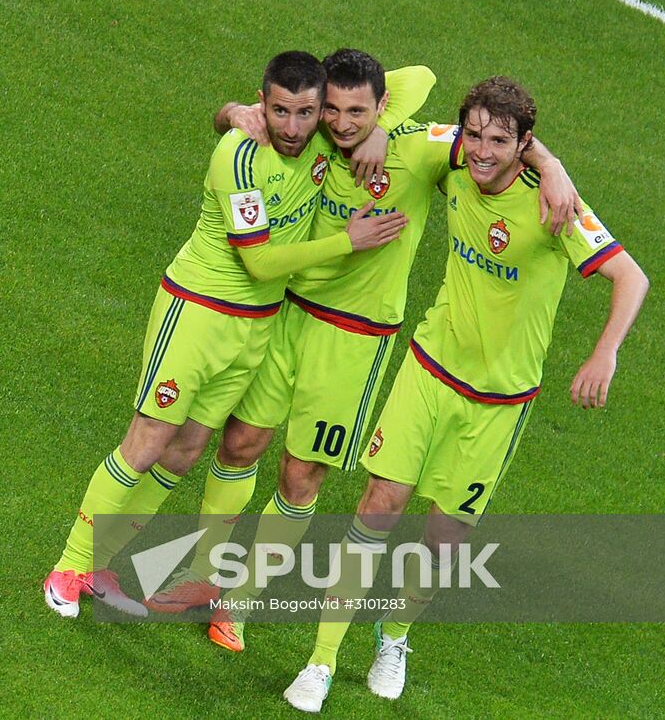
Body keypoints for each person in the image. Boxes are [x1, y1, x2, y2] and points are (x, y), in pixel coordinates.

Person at [156, 51, 577, 653]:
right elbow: (232, 123)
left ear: (382, 106)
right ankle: (200, 575)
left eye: (361, 110)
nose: (343, 121)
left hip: (356, 339)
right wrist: (234, 111)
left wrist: (551, 164)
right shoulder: (311, 134)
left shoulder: (425, 148)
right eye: (333, 107)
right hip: (290, 311)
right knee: (239, 443)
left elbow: (473, 121)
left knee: (300, 473)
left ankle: (240, 604)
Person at [281, 77, 649, 713]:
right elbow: (380, 131)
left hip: (499, 404)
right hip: (429, 370)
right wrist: (365, 131)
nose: (481, 151)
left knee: (443, 542)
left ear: (523, 144)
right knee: (378, 504)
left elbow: (630, 276)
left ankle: (392, 638)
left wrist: (604, 352)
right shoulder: (455, 157)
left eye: (499, 141)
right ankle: (319, 661)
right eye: (473, 135)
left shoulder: (554, 205)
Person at [43, 51, 419, 619]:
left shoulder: (322, 137)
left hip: (256, 329)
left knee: (187, 451)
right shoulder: (240, 154)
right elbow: (261, 263)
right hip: (198, 313)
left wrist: (382, 130)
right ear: (262, 105)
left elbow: (414, 81)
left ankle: (101, 563)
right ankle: (66, 568)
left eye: (306, 113)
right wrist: (350, 240)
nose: (293, 128)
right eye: (280, 111)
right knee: (147, 441)